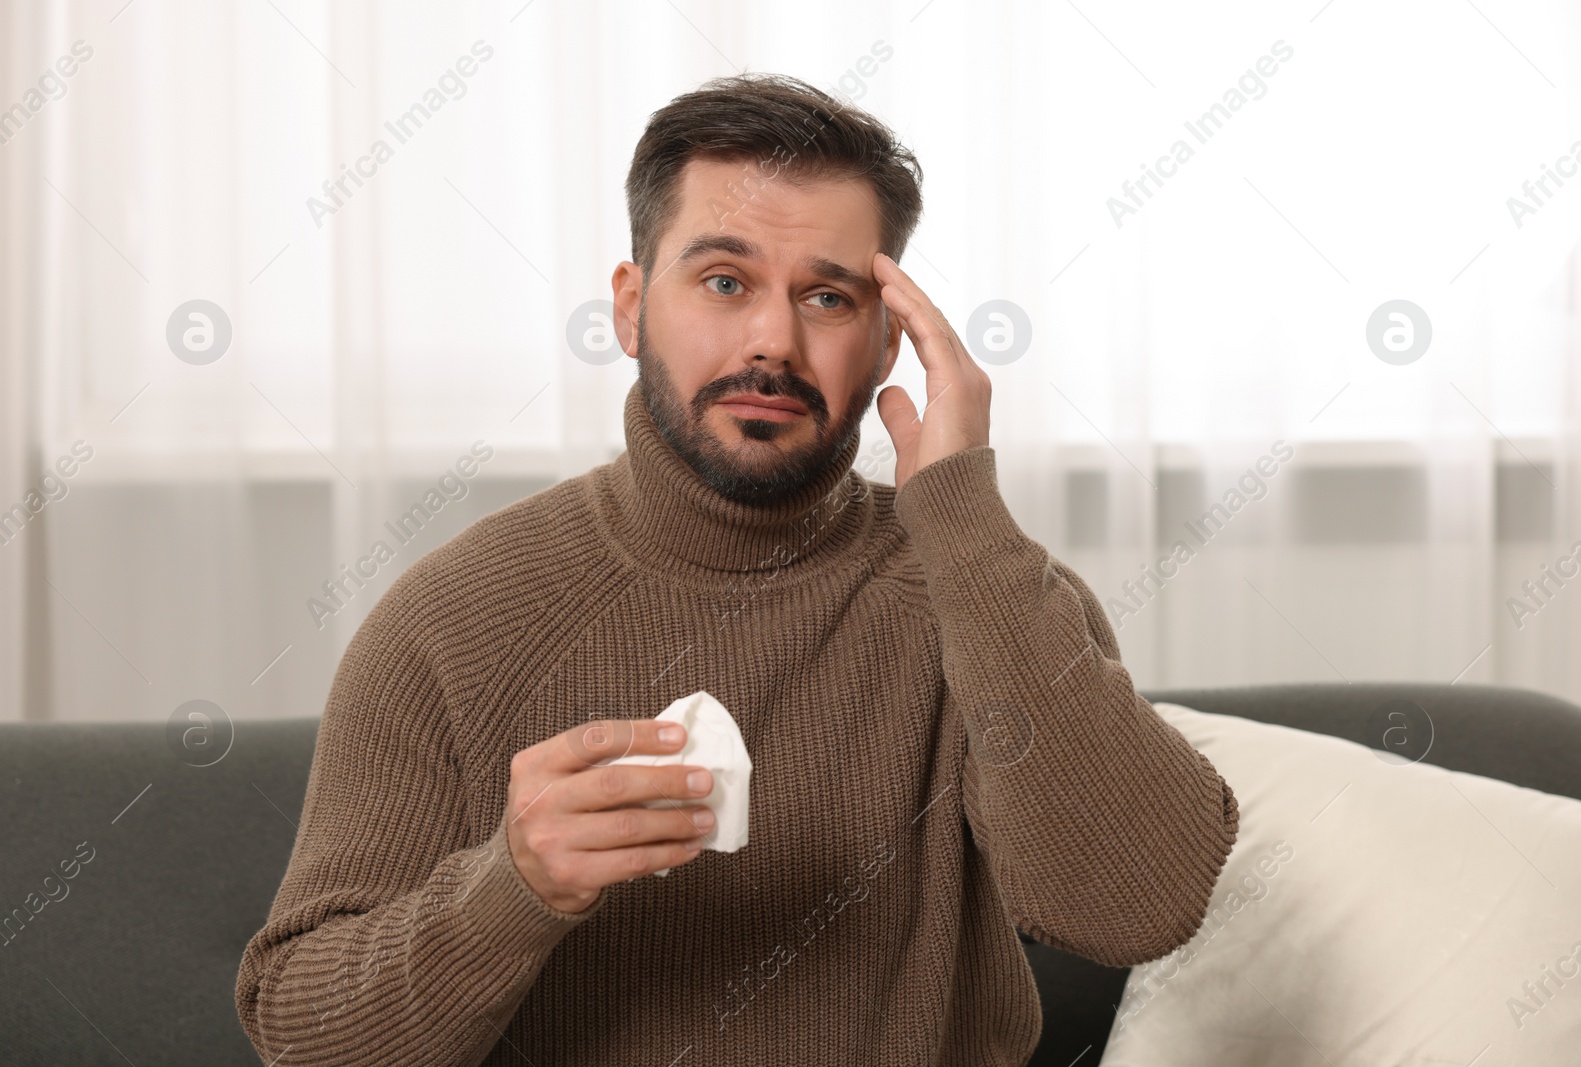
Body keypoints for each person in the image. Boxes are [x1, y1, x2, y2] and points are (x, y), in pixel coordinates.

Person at [235, 72, 1238, 1066]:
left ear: (889, 340)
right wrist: (516, 884)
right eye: (724, 281)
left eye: (828, 297)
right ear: (630, 309)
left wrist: (962, 516)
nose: (773, 340)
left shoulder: (982, 588)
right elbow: (304, 1035)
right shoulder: (452, 618)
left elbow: (1136, 907)